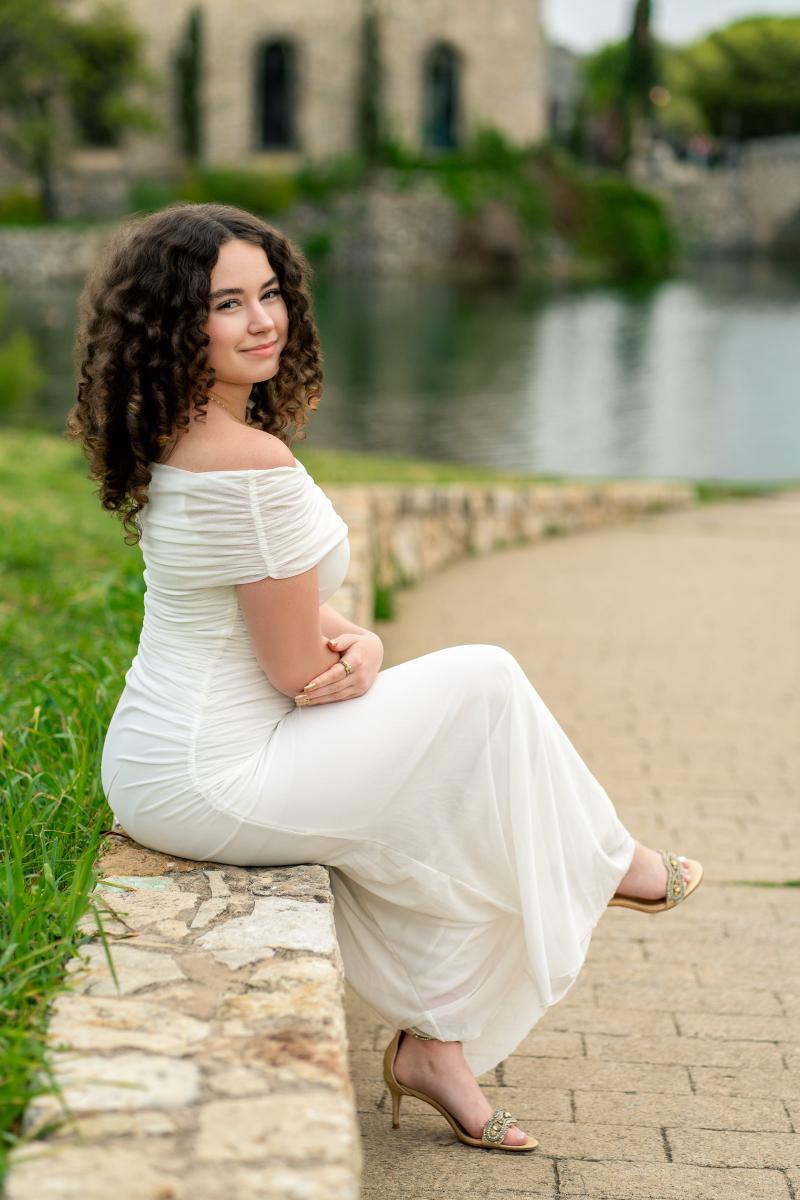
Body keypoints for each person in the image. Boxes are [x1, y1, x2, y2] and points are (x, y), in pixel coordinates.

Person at [65, 201, 703, 1154]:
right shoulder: (252, 462)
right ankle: (610, 863)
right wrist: (350, 660)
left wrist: (355, 641)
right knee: (483, 683)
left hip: (163, 760)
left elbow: (259, 603)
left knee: (438, 806)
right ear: (175, 323)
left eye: (270, 293)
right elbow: (289, 667)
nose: (263, 320)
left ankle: (437, 1048)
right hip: (215, 774)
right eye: (227, 304)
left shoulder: (175, 436)